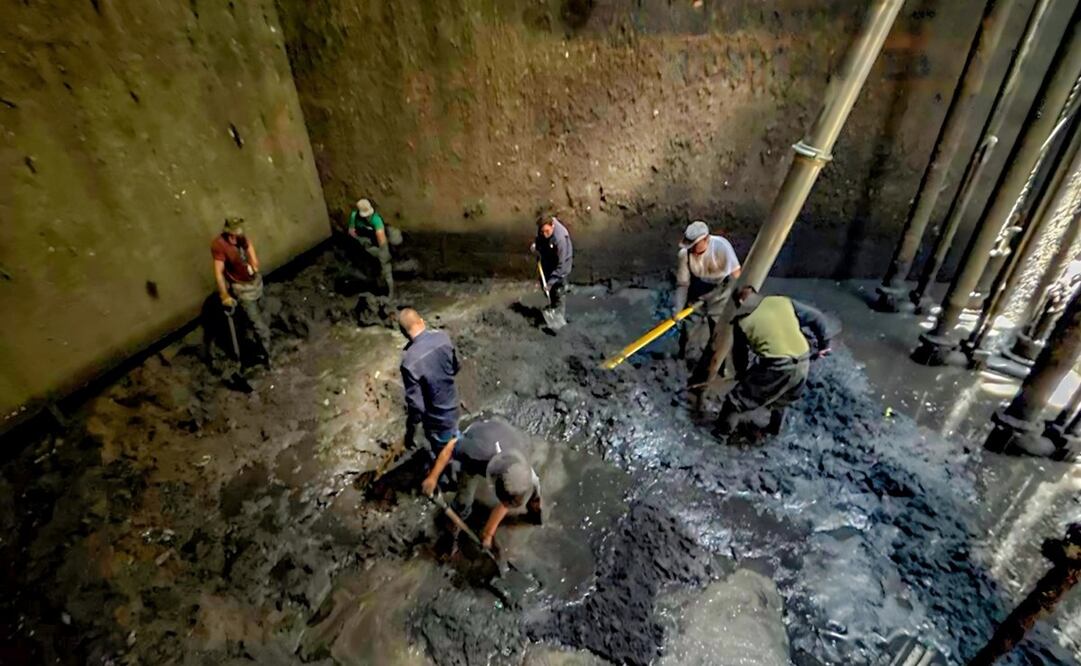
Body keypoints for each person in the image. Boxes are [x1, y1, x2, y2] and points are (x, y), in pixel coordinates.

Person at [715, 286, 837, 439]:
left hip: (778, 364)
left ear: (740, 302)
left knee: (735, 401)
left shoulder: (741, 322)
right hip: (803, 359)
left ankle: (721, 436)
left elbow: (741, 358)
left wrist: (742, 376)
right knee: (782, 398)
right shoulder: (782, 302)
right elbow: (817, 317)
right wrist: (824, 345)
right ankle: (773, 431)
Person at [423, 417, 543, 549]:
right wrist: (433, 477)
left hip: (504, 435)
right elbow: (451, 446)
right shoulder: (475, 454)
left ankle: (533, 509)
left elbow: (508, 501)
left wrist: (488, 534)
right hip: (479, 433)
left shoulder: (524, 466)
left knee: (530, 487)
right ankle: (456, 519)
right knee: (464, 498)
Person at [674, 221, 741, 385]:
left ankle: (722, 369)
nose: (692, 249)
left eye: (694, 245)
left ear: (706, 240)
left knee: (720, 332)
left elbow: (737, 274)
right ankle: (683, 362)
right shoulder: (685, 254)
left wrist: (736, 300)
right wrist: (678, 307)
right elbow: (683, 283)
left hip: (721, 293)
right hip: (697, 293)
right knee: (689, 328)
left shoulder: (721, 247)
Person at [399, 307, 461, 469]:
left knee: (445, 454)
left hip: (437, 419)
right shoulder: (443, 338)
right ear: (421, 321)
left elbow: (416, 406)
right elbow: (456, 367)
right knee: (454, 440)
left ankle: (448, 477)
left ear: (404, 333)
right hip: (453, 405)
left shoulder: (409, 362)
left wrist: (410, 431)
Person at [211, 216, 271, 364]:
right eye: (233, 235)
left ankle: (261, 343)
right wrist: (224, 295)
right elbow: (218, 272)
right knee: (259, 326)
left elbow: (248, 246)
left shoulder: (241, 238)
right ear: (227, 233)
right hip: (241, 289)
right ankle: (269, 358)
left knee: (263, 318)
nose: (235, 237)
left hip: (255, 283)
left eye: (237, 234)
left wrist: (254, 263)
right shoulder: (219, 245)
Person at [532, 215, 573, 330]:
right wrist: (536, 245)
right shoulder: (544, 228)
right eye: (542, 231)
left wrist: (550, 284)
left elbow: (561, 266)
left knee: (558, 291)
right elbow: (540, 238)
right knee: (547, 288)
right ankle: (551, 306)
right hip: (549, 259)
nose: (545, 234)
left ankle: (559, 320)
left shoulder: (560, 240)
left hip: (562, 266)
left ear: (552, 226)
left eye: (547, 231)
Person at [349, 198, 394, 297]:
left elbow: (381, 239)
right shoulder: (354, 216)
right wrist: (362, 242)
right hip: (365, 246)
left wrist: (382, 253)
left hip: (378, 246)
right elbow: (351, 232)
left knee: (386, 269)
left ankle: (390, 293)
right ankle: (375, 288)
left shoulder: (376, 219)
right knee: (370, 269)